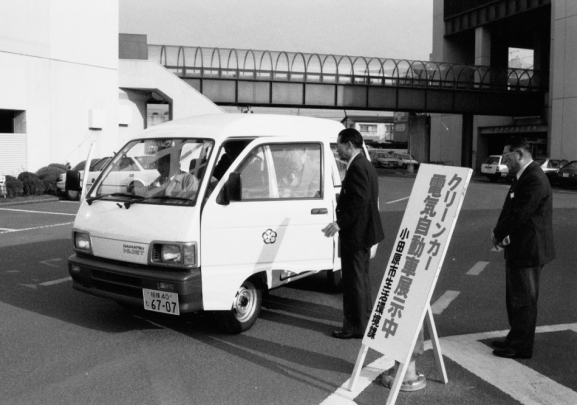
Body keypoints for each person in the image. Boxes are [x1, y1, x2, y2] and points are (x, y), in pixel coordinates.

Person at [491, 136, 555, 359]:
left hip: (530, 250)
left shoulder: (534, 178)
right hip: (521, 247)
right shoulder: (523, 176)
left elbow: (520, 213)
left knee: (524, 301)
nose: (504, 161)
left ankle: (521, 347)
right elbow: (509, 207)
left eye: (506, 157)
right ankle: (515, 338)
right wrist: (498, 232)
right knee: (516, 299)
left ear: (519, 154)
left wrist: (498, 233)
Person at [322, 128, 384, 339]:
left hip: (357, 234)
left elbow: (359, 200)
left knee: (353, 282)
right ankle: (364, 321)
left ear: (349, 145)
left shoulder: (357, 167)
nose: (337, 149)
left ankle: (355, 327)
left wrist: (340, 224)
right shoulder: (365, 164)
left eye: (338, 145)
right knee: (361, 280)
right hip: (365, 232)